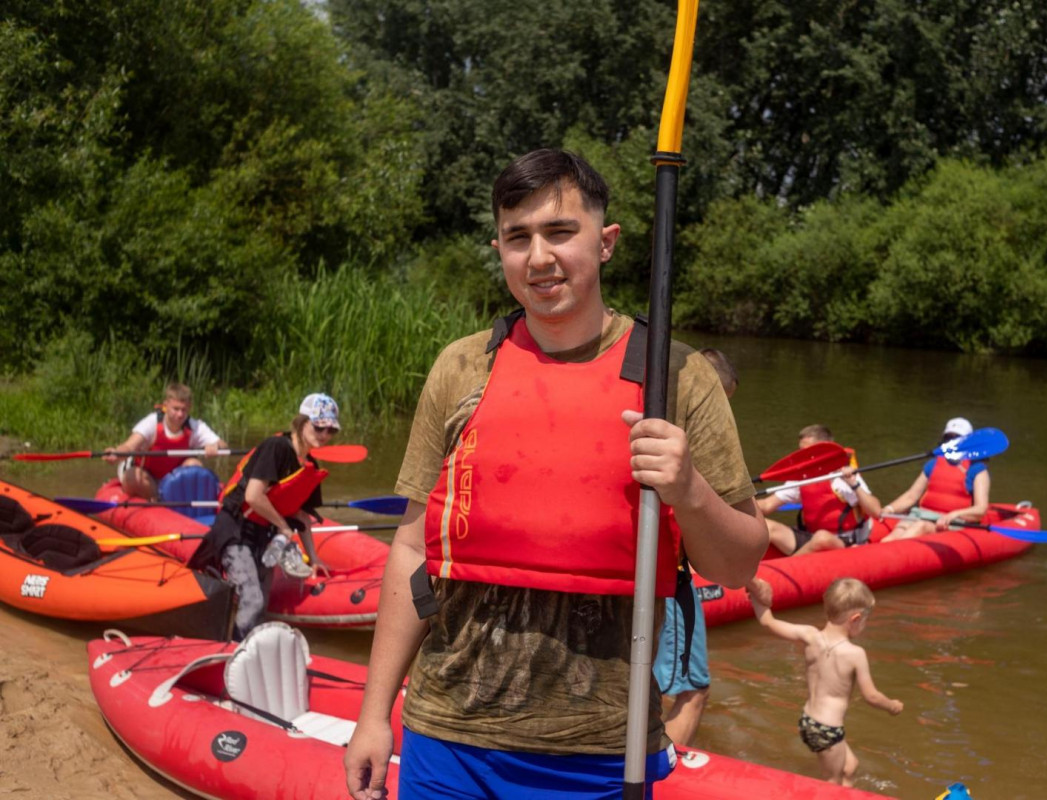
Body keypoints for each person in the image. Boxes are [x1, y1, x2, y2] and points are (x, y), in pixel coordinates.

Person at [343, 149, 767, 800]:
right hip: (444, 737)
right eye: (518, 238)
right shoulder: (461, 368)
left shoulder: (677, 377)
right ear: (500, 249)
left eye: (559, 232)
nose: (538, 257)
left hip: (601, 750)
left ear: (606, 241)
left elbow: (739, 565)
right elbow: (410, 546)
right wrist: (374, 714)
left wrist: (689, 490)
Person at [186, 393, 337, 640]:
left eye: (331, 430)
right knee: (253, 601)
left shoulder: (310, 466)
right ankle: (233, 654)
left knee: (260, 604)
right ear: (302, 423)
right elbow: (253, 496)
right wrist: (284, 528)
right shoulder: (276, 447)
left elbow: (301, 516)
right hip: (236, 529)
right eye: (319, 426)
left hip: (264, 538)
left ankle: (243, 649)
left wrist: (315, 558)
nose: (324, 434)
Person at [652, 347, 739, 747]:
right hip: (668, 577)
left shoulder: (656, 429)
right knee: (693, 690)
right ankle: (664, 781)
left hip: (649, 572)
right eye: (723, 400)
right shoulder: (689, 442)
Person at [747, 576, 902, 787]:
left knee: (850, 766)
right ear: (855, 619)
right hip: (828, 729)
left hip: (808, 721)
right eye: (865, 621)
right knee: (832, 783)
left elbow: (768, 621)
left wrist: (755, 595)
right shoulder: (855, 653)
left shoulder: (810, 635)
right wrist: (892, 705)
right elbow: (871, 696)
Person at [755, 425, 881, 555]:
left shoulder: (842, 476)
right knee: (765, 527)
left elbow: (876, 512)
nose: (803, 456)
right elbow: (767, 505)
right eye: (801, 451)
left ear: (825, 449)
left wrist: (853, 483)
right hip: (810, 537)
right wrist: (736, 506)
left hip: (843, 542)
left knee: (821, 538)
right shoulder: (802, 478)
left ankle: (784, 568)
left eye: (808, 451)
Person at [103, 383, 227, 499]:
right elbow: (129, 446)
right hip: (147, 477)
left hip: (173, 480)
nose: (180, 414)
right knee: (133, 478)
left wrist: (215, 446)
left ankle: (170, 499)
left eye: (184, 410)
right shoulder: (151, 423)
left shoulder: (194, 426)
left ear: (189, 408)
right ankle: (159, 500)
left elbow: (223, 445)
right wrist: (116, 453)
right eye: (176, 409)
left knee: (194, 464)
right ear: (165, 405)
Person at [880, 417, 990, 543]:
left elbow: (980, 510)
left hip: (952, 522)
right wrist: (888, 509)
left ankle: (891, 555)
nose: (952, 442)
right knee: (890, 538)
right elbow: (911, 496)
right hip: (921, 514)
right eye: (948, 438)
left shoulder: (977, 470)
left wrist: (954, 515)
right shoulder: (933, 464)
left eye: (957, 439)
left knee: (921, 526)